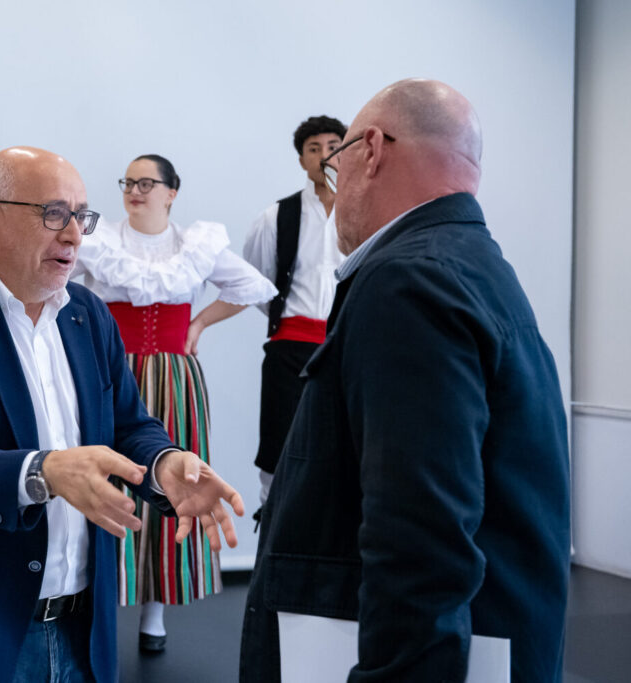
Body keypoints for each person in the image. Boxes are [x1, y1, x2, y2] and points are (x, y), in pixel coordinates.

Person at [0, 146, 245, 682]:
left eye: (81, 217)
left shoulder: (89, 315)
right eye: (54, 214)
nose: (73, 235)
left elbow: (130, 424)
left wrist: (164, 464)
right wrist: (44, 471)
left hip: (84, 631)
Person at [240, 79, 570, 682]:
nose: (336, 196)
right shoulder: (473, 265)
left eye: (337, 166)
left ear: (370, 150)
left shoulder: (407, 284)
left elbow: (422, 541)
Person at [73, 154, 276, 652]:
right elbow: (57, 288)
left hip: (173, 379)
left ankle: (154, 611)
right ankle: (94, 600)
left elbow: (254, 286)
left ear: (172, 191)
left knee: (174, 484)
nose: (134, 190)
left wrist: (200, 322)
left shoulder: (195, 244)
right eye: (128, 182)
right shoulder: (99, 240)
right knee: (103, 479)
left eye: (147, 182)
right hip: (111, 375)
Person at [242, 115, 347, 512]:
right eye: (314, 149)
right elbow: (256, 284)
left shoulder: (366, 213)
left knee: (347, 445)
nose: (325, 156)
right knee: (279, 447)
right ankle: (272, 530)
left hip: (346, 346)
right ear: (302, 160)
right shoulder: (276, 217)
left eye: (333, 146)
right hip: (289, 349)